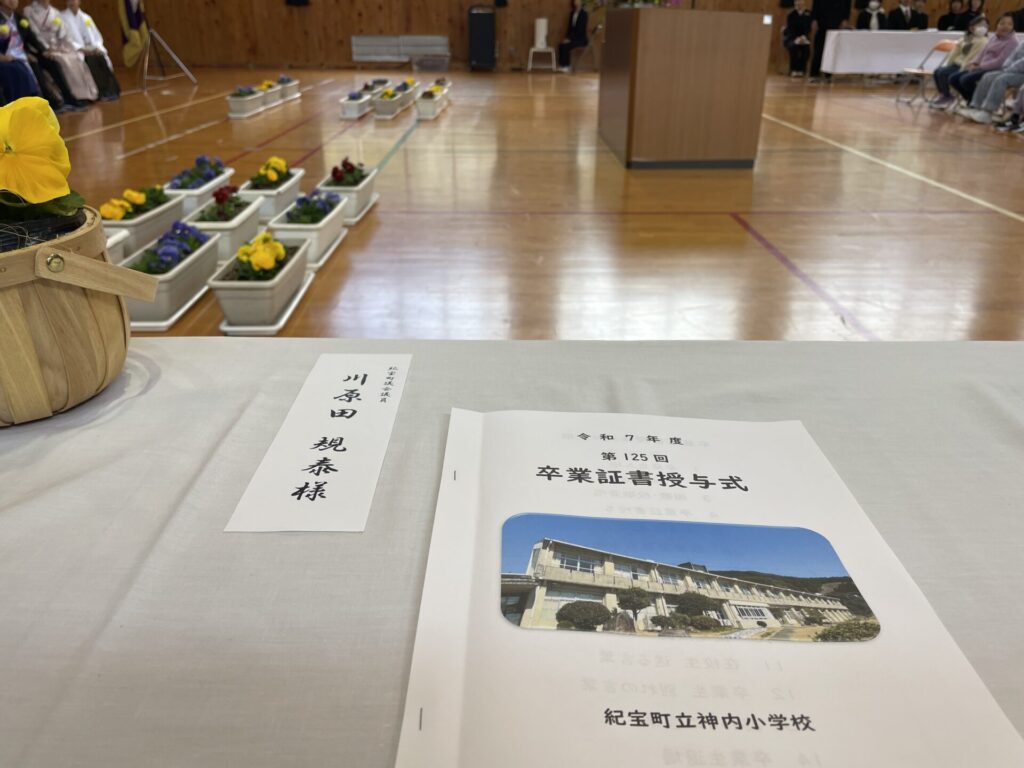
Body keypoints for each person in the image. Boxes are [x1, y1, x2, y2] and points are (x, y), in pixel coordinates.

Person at [24, 0, 95, 101]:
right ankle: (68, 95)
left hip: (57, 46)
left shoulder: (55, 12)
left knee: (75, 57)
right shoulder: (29, 11)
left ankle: (83, 95)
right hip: (41, 48)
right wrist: (46, 49)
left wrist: (68, 47)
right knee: (63, 60)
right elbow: (34, 34)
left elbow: (63, 34)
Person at [949, 14, 1018, 104]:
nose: (1006, 26)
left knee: (965, 80)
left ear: (1013, 27)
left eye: (1010, 24)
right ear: (997, 25)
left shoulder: (1013, 42)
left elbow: (1000, 62)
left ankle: (978, 101)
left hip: (996, 70)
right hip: (982, 67)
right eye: (1002, 23)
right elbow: (982, 52)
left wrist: (980, 66)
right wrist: (974, 63)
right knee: (953, 79)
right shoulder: (993, 37)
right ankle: (972, 100)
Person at [961, 29, 1024, 122]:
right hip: (1011, 70)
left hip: (1020, 74)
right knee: (988, 76)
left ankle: (988, 111)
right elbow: (1012, 56)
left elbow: (1022, 63)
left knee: (1001, 79)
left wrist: (1009, 69)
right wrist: (1007, 66)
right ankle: (976, 107)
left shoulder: (1014, 40)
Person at [61, 0, 118, 100]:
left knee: (100, 56)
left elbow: (97, 36)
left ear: (79, 2)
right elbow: (66, 39)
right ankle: (100, 91)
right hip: (77, 50)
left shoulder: (86, 18)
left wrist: (97, 47)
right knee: (91, 59)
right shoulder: (62, 17)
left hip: (91, 48)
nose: (71, 2)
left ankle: (112, 90)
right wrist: (81, 49)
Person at [930, 15, 988, 108]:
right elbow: (955, 52)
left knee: (943, 73)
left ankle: (947, 96)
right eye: (979, 25)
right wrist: (948, 64)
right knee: (938, 71)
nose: (983, 27)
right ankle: (944, 94)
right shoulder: (966, 38)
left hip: (966, 66)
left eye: (985, 25)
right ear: (971, 27)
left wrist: (962, 69)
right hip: (956, 64)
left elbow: (971, 57)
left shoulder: (983, 41)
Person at [0, 0, 41, 103]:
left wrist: (43, 51)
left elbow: (30, 39)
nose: (12, 1)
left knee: (30, 64)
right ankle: (17, 104)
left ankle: (33, 100)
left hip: (19, 53)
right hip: (5, 55)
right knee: (16, 68)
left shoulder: (20, 18)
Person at [809, 0, 851, 82]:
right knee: (819, 48)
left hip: (836, 19)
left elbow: (847, 4)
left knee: (832, 49)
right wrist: (814, 19)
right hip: (821, 19)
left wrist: (845, 19)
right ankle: (814, 73)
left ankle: (828, 74)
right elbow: (816, 3)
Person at [557, 0, 588, 72]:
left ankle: (567, 66)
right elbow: (569, 28)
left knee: (566, 46)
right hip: (572, 37)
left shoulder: (584, 14)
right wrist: (567, 38)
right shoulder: (572, 13)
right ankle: (562, 65)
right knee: (561, 45)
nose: (577, 2)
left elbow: (580, 29)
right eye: (575, 0)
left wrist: (570, 39)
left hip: (581, 39)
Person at [785, 0, 814, 75]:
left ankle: (802, 70)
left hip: (804, 38)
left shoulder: (808, 14)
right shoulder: (791, 15)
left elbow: (808, 28)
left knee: (806, 50)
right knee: (793, 48)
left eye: (800, 1)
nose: (798, 3)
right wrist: (797, 39)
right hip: (792, 38)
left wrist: (804, 37)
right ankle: (794, 69)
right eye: (796, 1)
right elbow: (790, 29)